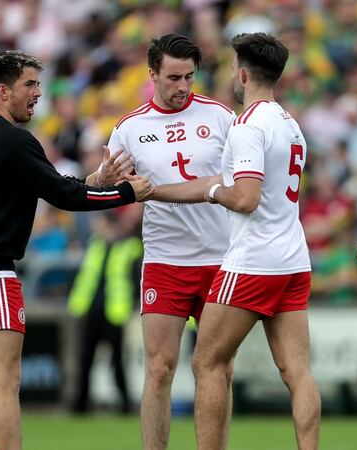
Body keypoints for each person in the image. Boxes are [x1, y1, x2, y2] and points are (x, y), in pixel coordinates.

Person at [0, 50, 152, 450]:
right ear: (2, 91)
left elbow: (53, 184)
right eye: (29, 85)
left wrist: (97, 180)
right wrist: (124, 193)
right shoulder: (14, 139)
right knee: (4, 383)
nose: (38, 93)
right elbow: (63, 196)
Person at [98, 34, 236, 450]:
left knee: (218, 369)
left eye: (189, 77)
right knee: (159, 369)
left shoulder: (220, 117)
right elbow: (98, 187)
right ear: (153, 74)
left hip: (219, 259)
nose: (182, 86)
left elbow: (243, 180)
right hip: (165, 261)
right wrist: (101, 182)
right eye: (174, 77)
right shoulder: (130, 128)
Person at [192, 32, 320, 450]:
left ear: (243, 73)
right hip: (293, 260)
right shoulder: (289, 122)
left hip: (253, 262)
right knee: (298, 374)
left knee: (207, 361)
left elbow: (244, 198)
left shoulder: (247, 124)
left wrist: (213, 193)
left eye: (232, 66)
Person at [68, 206, 143, 415]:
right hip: (91, 310)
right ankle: (80, 404)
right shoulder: (96, 245)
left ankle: (125, 404)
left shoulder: (130, 246)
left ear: (107, 223)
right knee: (85, 359)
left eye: (98, 222)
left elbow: (135, 279)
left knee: (117, 361)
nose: (94, 226)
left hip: (114, 312)